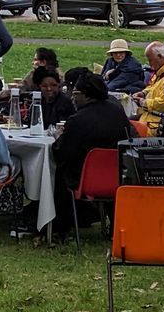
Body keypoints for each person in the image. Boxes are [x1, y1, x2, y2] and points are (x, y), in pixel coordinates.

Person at [49, 71, 132, 234]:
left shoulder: (78, 120)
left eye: (76, 94)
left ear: (86, 96)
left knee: (57, 170)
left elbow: (60, 152)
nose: (73, 98)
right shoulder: (118, 112)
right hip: (118, 176)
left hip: (84, 180)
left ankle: (57, 225)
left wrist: (59, 137)